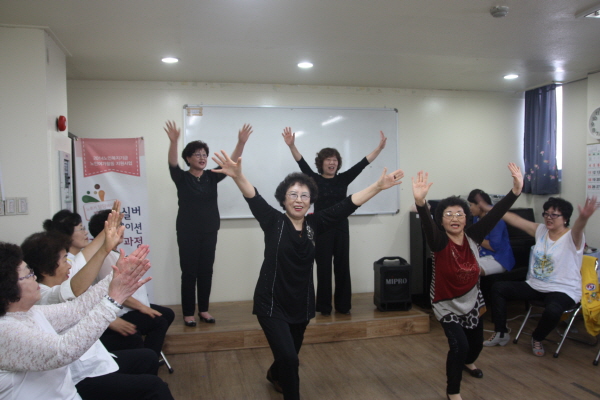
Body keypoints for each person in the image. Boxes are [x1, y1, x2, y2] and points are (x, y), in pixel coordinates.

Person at [211, 149, 403, 400]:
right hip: (272, 303)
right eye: (293, 195)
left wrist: (377, 186)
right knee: (291, 359)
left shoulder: (315, 224)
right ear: (283, 200)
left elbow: (348, 204)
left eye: (304, 195)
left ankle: (274, 374)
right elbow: (253, 196)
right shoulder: (273, 221)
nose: (299, 200)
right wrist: (238, 176)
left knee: (290, 354)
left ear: (311, 200)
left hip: (301, 304)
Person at [21, 218, 173, 400]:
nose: (69, 264)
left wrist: (106, 247)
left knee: (147, 358)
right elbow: (76, 293)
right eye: (64, 260)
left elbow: (83, 261)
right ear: (45, 270)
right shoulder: (43, 297)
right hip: (82, 376)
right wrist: (117, 282)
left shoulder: (61, 280)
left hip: (96, 360)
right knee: (155, 386)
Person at [411, 163, 522, 400]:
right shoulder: (439, 242)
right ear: (441, 220)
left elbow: (495, 215)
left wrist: (515, 191)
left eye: (459, 214)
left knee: (475, 346)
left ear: (466, 218)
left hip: (472, 300)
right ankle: (453, 392)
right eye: (448, 215)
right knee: (459, 346)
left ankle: (468, 362)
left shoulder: (473, 236)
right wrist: (421, 203)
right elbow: (427, 226)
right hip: (446, 304)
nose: (454, 218)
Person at [282, 127, 387, 315]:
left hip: (341, 227)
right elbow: (301, 162)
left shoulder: (343, 179)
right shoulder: (313, 179)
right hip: (320, 228)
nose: (332, 163)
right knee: (323, 268)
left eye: (335, 160)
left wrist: (379, 148)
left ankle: (343, 306)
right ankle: (323, 307)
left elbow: (363, 163)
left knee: (342, 266)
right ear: (321, 163)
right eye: (328, 160)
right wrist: (292, 146)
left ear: (338, 163)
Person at [483, 196, 598, 357]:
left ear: (565, 218)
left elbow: (578, 228)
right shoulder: (541, 230)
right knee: (498, 288)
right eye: (546, 214)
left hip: (563, 289)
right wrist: (493, 209)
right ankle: (501, 332)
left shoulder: (572, 236)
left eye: (554, 215)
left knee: (553, 310)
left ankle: (537, 337)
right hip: (535, 285)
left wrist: (584, 217)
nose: (549, 218)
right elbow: (516, 220)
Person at [165, 120, 253, 326]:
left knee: (206, 271)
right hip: (187, 232)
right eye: (197, 154)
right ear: (188, 158)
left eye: (204, 154)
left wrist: (241, 142)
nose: (202, 158)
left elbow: (230, 163)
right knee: (189, 273)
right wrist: (174, 142)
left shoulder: (212, 177)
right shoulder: (181, 178)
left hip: (209, 231)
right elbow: (172, 163)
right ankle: (188, 313)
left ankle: (203, 310)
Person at [88, 209, 175, 356]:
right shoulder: (103, 256)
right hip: (120, 311)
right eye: (118, 226)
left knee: (167, 314)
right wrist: (142, 307)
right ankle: (149, 359)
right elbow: (113, 290)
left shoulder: (113, 252)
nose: (122, 229)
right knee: (159, 321)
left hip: (128, 306)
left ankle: (147, 354)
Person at [467, 189, 515, 275]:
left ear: (479, 205)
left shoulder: (496, 219)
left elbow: (494, 246)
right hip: (482, 256)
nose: (469, 208)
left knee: (468, 271)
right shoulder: (476, 218)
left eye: (471, 205)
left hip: (498, 258)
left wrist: (472, 237)